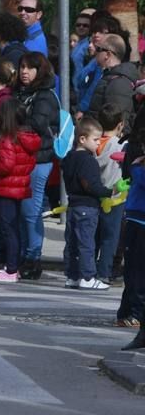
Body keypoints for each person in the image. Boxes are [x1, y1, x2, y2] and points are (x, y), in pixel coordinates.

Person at [0, 98, 40, 282]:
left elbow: (6, 165)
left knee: (7, 230)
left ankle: (11, 270)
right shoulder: (26, 138)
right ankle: (12, 266)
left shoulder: (7, 140)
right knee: (13, 229)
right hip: (17, 188)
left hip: (5, 189)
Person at [13, 52, 59, 280]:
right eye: (22, 66)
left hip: (39, 159)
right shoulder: (21, 93)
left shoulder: (44, 96)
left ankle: (33, 257)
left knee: (31, 211)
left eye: (30, 68)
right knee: (23, 211)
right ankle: (25, 255)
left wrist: (11, 122)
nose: (24, 71)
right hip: (22, 158)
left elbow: (39, 124)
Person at [62, 118, 114, 290]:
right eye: (96, 139)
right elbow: (90, 184)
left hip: (73, 205)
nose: (99, 143)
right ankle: (87, 276)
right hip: (87, 206)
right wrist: (108, 192)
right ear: (82, 139)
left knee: (72, 243)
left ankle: (72, 275)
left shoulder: (69, 157)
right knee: (86, 243)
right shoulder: (88, 160)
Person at [120, 108, 145, 349]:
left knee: (138, 276)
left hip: (141, 220)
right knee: (135, 275)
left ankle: (137, 316)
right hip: (137, 219)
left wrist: (137, 168)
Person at [95, 104, 126, 283]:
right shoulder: (122, 145)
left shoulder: (95, 142)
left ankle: (89, 269)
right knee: (110, 238)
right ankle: (104, 272)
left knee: (95, 237)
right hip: (115, 197)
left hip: (96, 195)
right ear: (120, 125)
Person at [88, 33, 138, 123]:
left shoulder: (118, 82)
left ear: (107, 54)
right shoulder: (109, 76)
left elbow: (117, 123)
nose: (95, 52)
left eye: (98, 49)